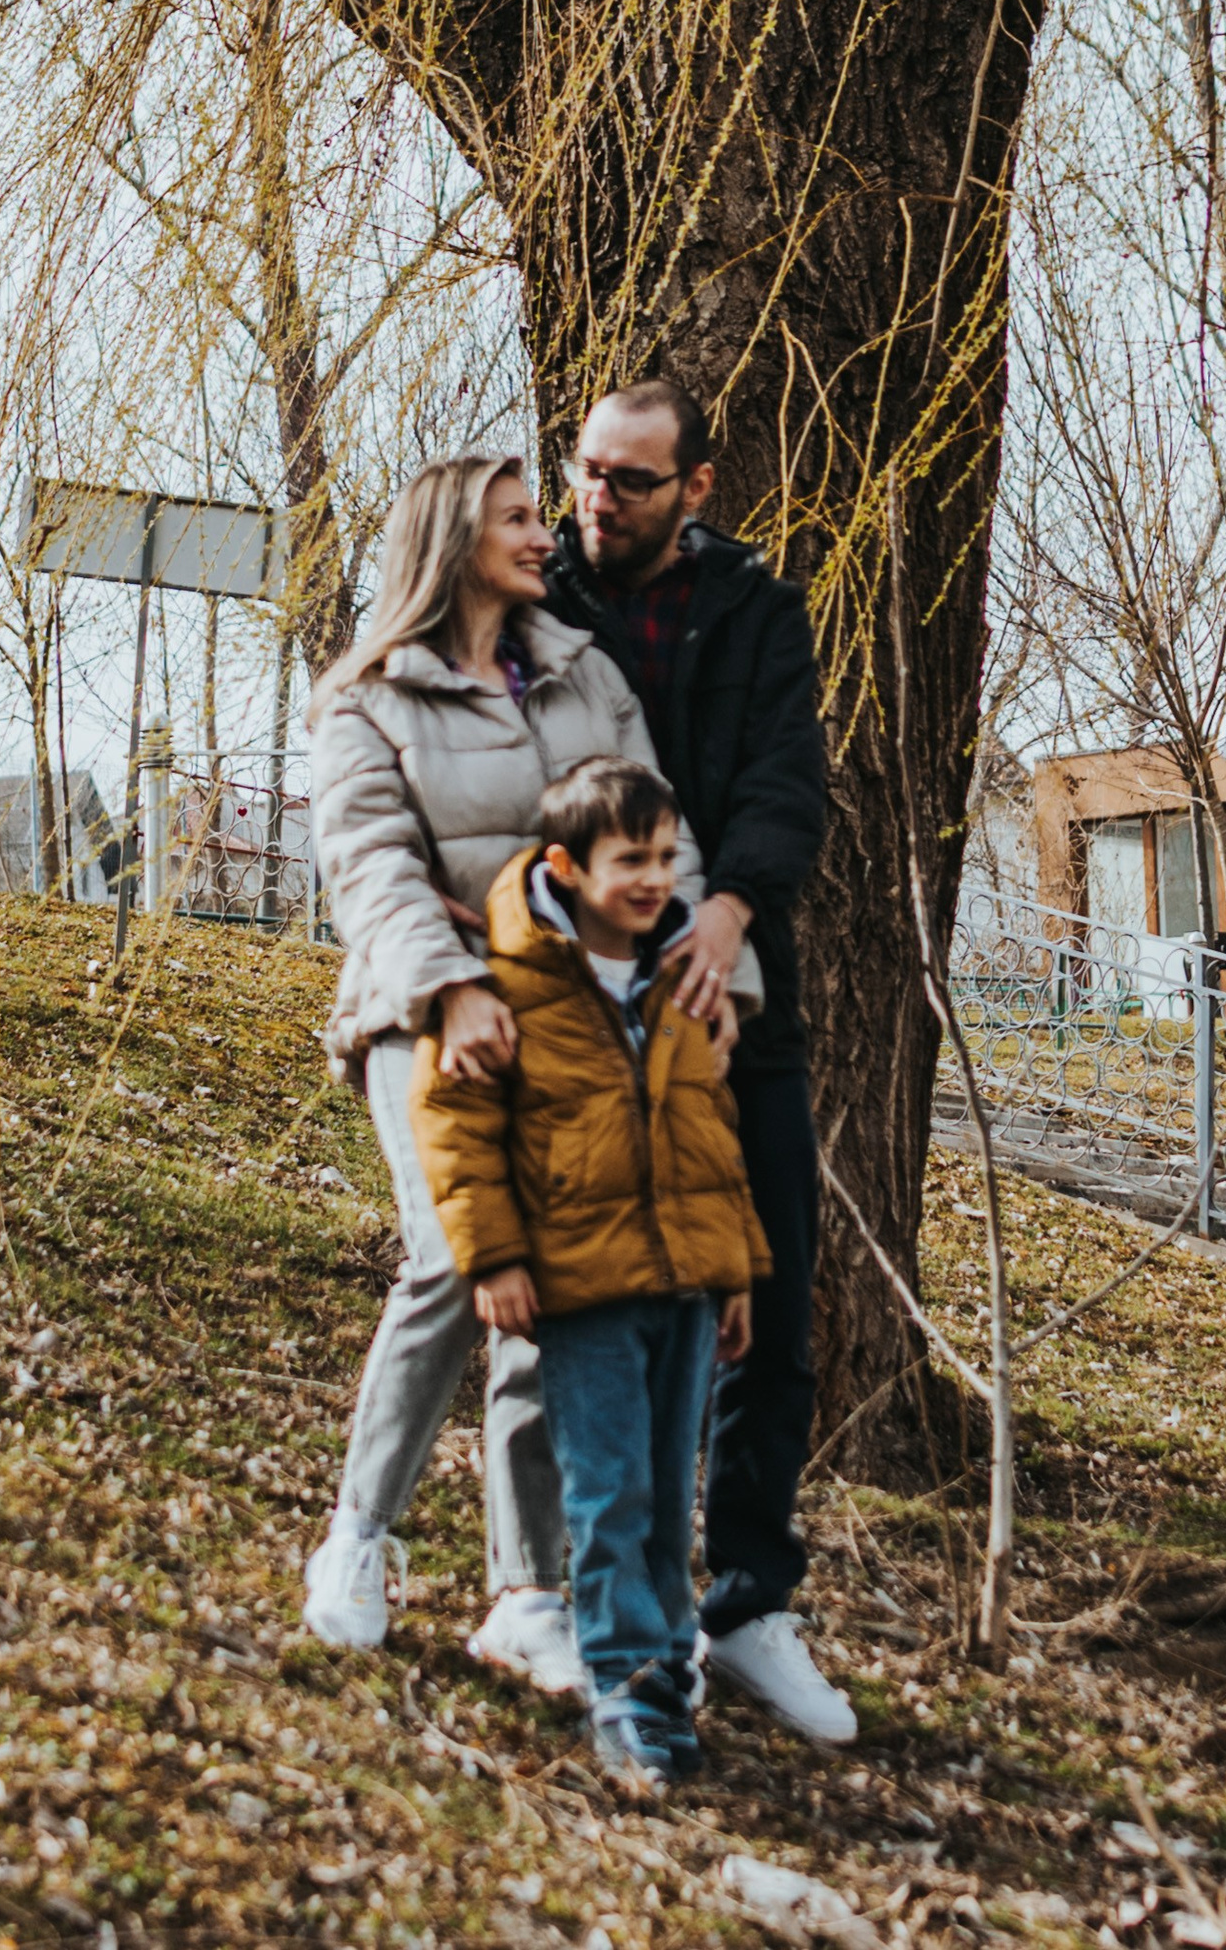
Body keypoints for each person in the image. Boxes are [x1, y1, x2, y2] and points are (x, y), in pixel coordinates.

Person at [303, 449, 751, 1693]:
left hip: (575, 1016)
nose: (540, 534)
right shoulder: (367, 701)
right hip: (423, 1006)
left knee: (555, 1285)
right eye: (513, 517)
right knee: (454, 1254)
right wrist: (450, 989)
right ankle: (359, 1534)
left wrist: (707, 986)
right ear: (451, 537)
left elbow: (658, 836)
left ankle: (524, 1592)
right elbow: (371, 866)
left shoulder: (581, 672)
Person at [546, 374, 852, 1746]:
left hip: (730, 995)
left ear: (697, 490)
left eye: (632, 483)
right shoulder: (535, 600)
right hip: (579, 1005)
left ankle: (747, 1606)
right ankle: (569, 1599)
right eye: (587, 473)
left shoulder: (757, 614)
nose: (598, 504)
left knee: (768, 1302)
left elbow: (792, 784)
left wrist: (728, 910)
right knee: (577, 1304)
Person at [413, 756, 771, 1788]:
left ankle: (662, 1666)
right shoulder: (509, 984)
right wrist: (493, 1258)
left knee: (667, 1496)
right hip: (583, 1294)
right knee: (608, 1491)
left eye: (666, 858)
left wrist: (736, 1271)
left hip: (686, 1290)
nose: (655, 879)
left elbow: (713, 1134)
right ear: (566, 867)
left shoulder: (681, 984)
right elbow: (460, 1129)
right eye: (631, 859)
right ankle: (623, 1686)